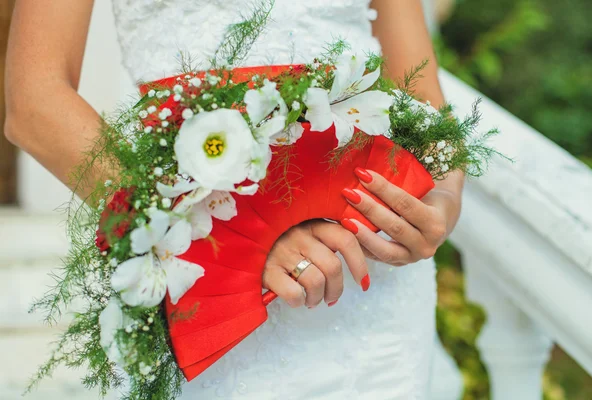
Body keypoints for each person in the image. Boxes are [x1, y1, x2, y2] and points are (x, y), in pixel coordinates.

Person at [5, 0, 464, 398]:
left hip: (372, 283)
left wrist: (441, 198)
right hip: (210, 277)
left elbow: (420, 92)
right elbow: (35, 103)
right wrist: (228, 235)